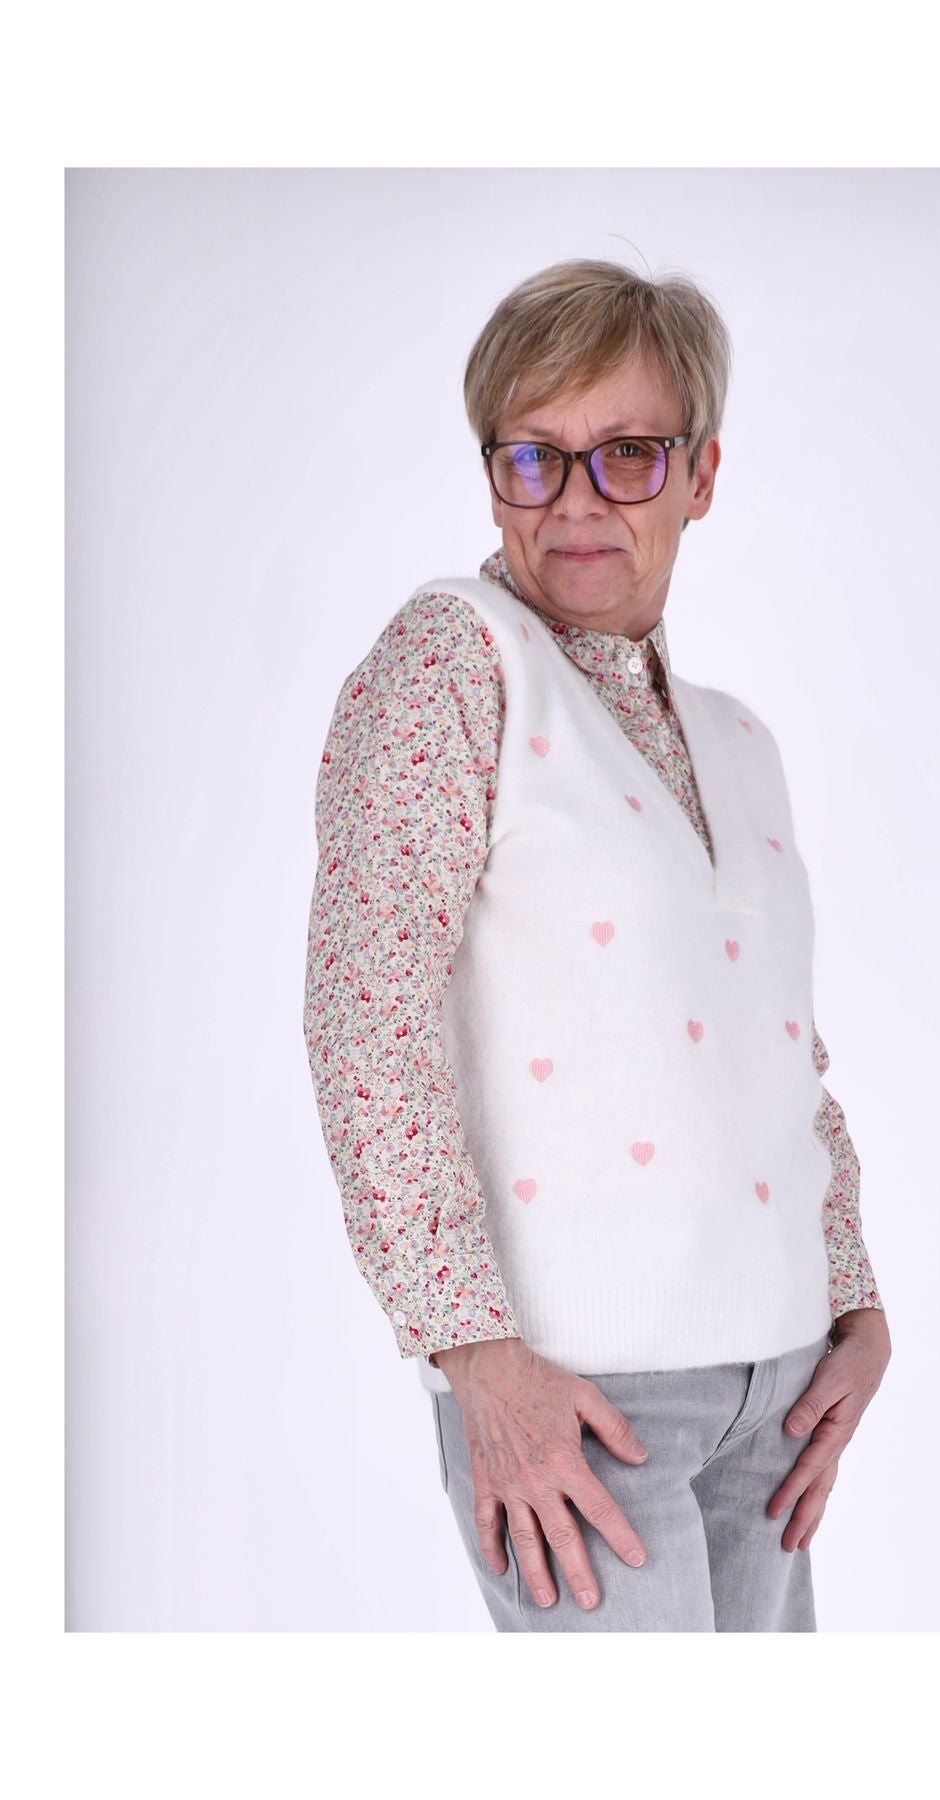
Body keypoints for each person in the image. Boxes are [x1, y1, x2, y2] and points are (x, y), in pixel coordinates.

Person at [302, 256, 892, 1631]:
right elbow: (366, 1018)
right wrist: (473, 1355)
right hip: (577, 1396)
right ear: (492, 474)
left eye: (627, 454)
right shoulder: (455, 663)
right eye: (533, 456)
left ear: (700, 475)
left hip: (781, 1386)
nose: (574, 500)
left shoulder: (742, 743)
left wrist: (854, 1303)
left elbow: (781, 1061)